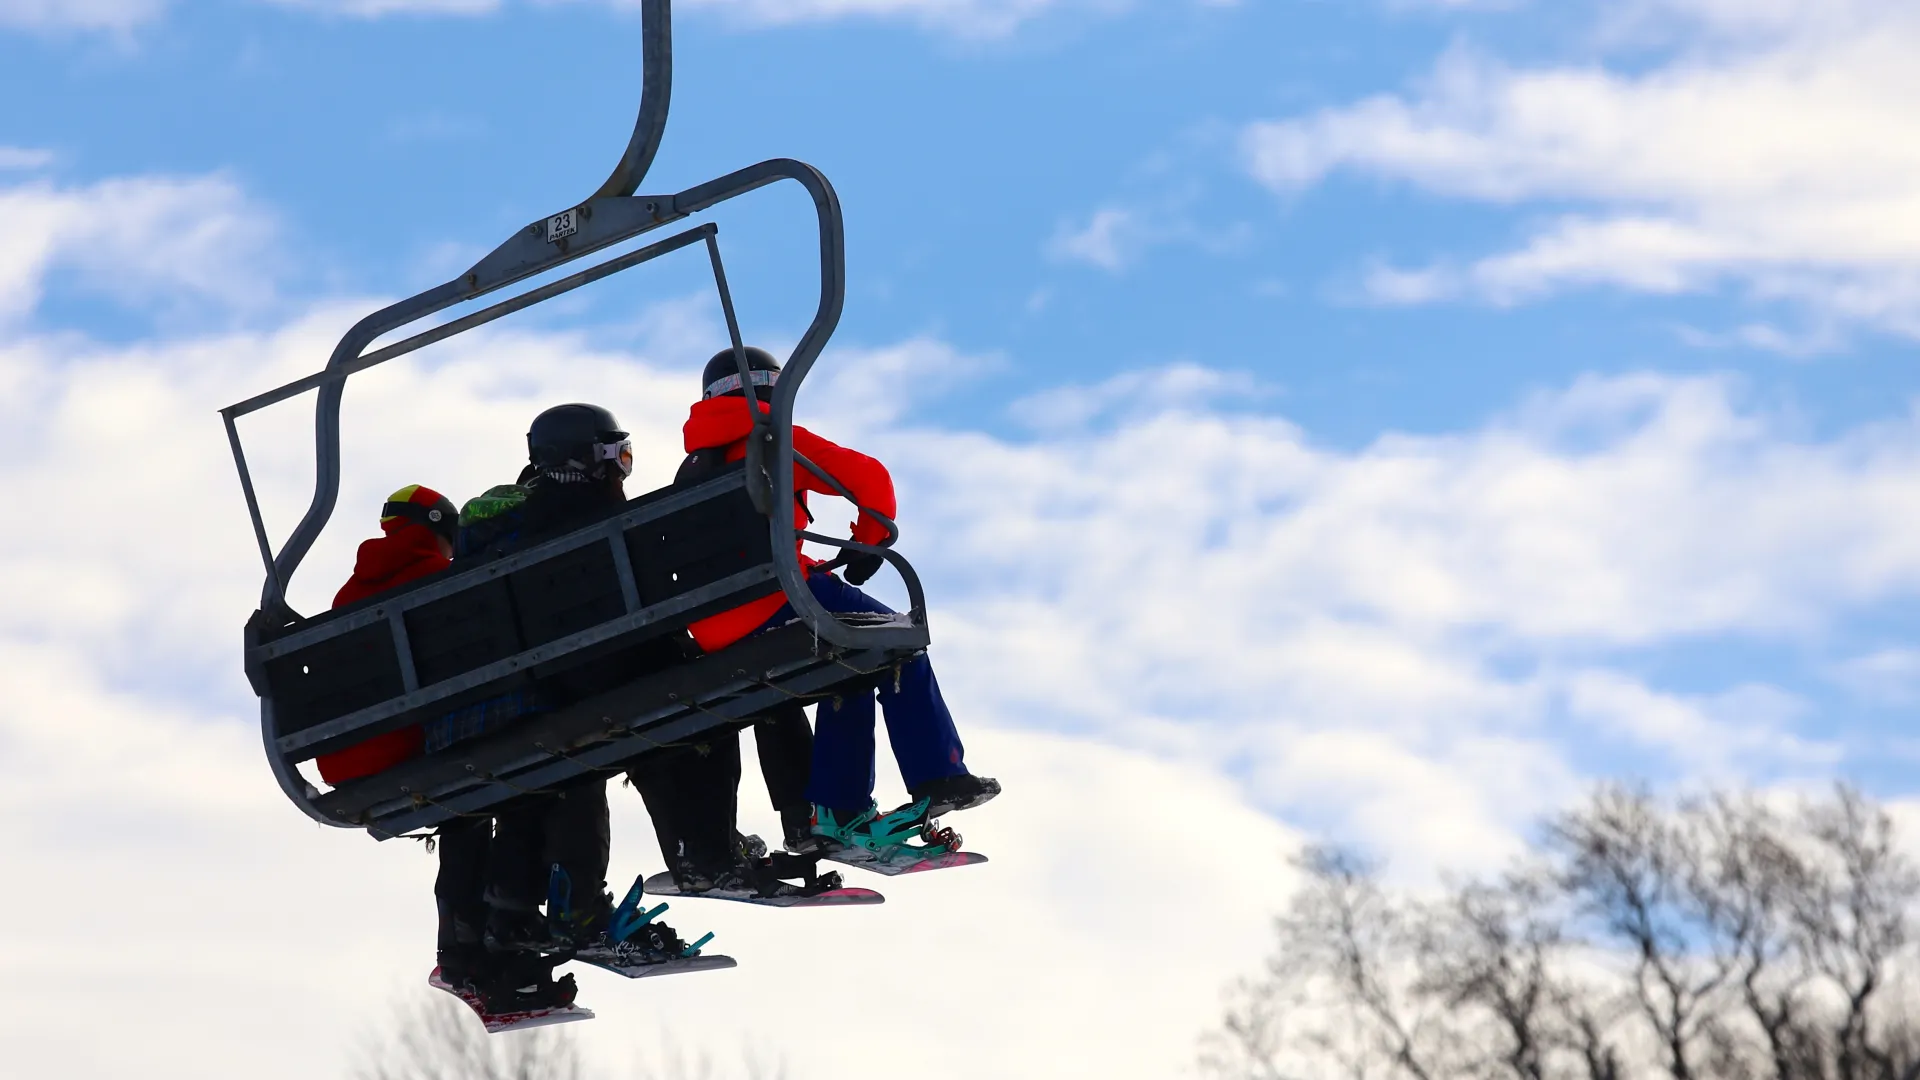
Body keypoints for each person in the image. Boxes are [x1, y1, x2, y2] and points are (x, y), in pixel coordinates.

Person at [679, 346, 1000, 857]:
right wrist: (868, 540)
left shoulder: (692, 468)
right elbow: (869, 478)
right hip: (778, 596)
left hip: (715, 626)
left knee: (847, 666)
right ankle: (937, 775)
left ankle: (841, 808)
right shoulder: (773, 438)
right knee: (897, 638)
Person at [462, 404, 707, 982]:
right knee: (595, 748)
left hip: (499, 695)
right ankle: (682, 859)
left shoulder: (503, 526)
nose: (623, 467)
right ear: (586, 458)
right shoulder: (586, 515)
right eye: (615, 453)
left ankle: (515, 911)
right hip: (576, 682)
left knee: (552, 771)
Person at [318, 487, 514, 1006]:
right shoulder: (436, 577)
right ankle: (483, 943)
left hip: (342, 756)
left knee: (462, 802)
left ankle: (461, 951)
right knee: (473, 787)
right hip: (398, 746)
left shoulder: (348, 592)